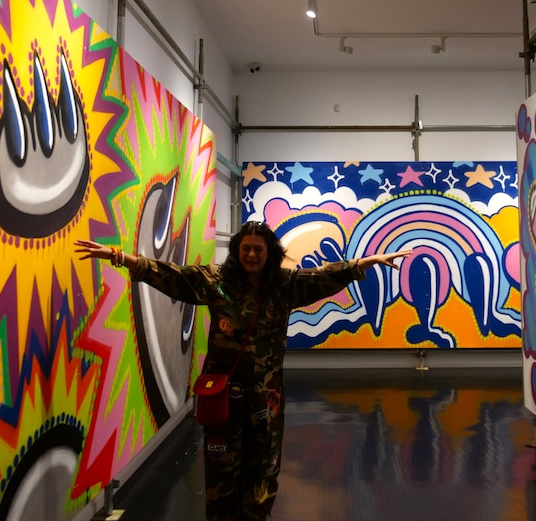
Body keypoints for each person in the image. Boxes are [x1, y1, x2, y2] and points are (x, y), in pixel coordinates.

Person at [75, 221, 412, 521]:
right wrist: (120, 257)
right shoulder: (217, 281)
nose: (251, 254)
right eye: (245, 248)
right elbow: (173, 276)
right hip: (223, 397)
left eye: (258, 249)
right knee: (221, 469)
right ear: (237, 251)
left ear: (270, 252)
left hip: (267, 398)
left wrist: (362, 264)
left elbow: (323, 276)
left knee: (264, 468)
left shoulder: (285, 285)